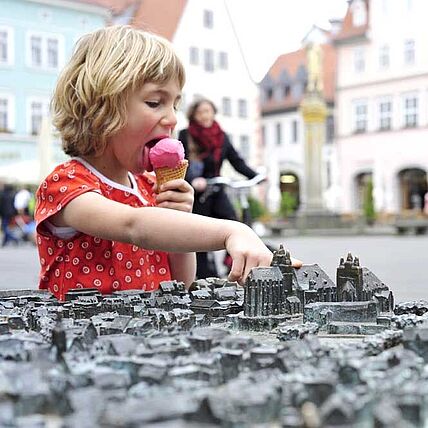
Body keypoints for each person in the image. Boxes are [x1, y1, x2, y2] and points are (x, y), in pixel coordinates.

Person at [34, 25, 301, 301]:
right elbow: (134, 226)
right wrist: (232, 230)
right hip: (85, 338)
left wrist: (179, 220)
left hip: (149, 336)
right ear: (100, 108)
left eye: (175, 104)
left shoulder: (150, 186)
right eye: (154, 102)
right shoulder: (65, 186)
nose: (172, 119)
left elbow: (181, 283)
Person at [178, 99, 258, 278]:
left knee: (234, 222)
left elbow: (236, 160)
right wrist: (193, 179)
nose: (205, 115)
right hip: (198, 193)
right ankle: (202, 276)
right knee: (200, 234)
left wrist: (256, 176)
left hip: (217, 189)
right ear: (194, 115)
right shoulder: (186, 135)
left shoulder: (221, 136)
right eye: (201, 112)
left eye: (208, 111)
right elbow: (181, 163)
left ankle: (232, 260)